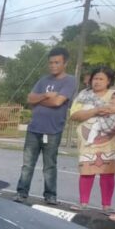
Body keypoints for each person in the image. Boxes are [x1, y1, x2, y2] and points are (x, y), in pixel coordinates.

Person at [14, 47, 77, 204]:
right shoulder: (43, 80)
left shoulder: (70, 80)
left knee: (49, 165)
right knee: (27, 164)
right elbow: (29, 98)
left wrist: (39, 100)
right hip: (34, 129)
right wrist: (45, 95)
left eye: (57, 62)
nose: (53, 65)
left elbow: (58, 102)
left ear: (65, 63)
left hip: (53, 131)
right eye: (51, 63)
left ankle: (50, 195)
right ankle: (21, 193)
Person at [69, 67, 115, 211]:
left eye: (101, 79)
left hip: (110, 142)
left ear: (108, 81)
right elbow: (74, 115)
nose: (97, 82)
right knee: (86, 171)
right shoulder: (84, 95)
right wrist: (95, 110)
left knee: (108, 173)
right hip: (87, 142)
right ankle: (83, 203)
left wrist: (111, 109)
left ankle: (107, 206)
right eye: (95, 78)